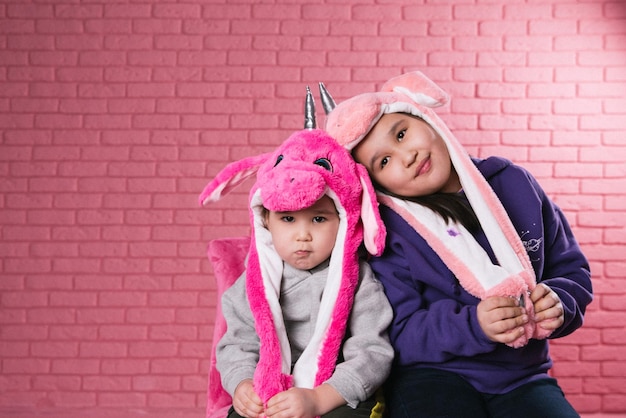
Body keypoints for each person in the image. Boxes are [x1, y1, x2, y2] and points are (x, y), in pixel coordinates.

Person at [323, 71, 593, 418]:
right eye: (384, 161)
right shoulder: (389, 233)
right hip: (431, 377)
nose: (406, 156)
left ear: (426, 117)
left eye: (402, 134)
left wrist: (559, 301)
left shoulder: (515, 184)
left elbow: (572, 270)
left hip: (522, 378)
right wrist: (474, 325)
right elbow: (399, 333)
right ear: (375, 183)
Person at [199, 96, 394, 418]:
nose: (302, 235)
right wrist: (242, 385)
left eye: (319, 219)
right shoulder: (254, 281)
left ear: (345, 221)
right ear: (265, 222)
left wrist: (320, 399)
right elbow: (237, 343)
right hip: (271, 389)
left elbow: (371, 352)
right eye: (287, 220)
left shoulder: (358, 280)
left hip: (336, 391)